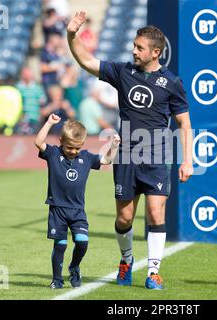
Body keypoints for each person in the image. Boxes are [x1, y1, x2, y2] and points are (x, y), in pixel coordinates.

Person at [67, 12, 193, 290]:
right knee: (124, 218)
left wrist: (188, 160)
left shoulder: (172, 83)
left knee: (156, 214)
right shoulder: (123, 71)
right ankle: (126, 260)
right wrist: (71, 35)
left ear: (155, 52)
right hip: (126, 157)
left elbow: (184, 123)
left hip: (158, 156)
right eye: (134, 46)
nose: (134, 51)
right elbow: (87, 61)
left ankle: (154, 272)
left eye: (139, 47)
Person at [34, 113, 120, 289]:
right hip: (57, 208)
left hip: (78, 210)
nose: (73, 151)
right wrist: (49, 123)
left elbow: (106, 159)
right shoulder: (53, 154)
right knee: (61, 244)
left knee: (82, 242)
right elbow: (38, 142)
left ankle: (74, 267)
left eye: (77, 148)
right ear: (61, 142)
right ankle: (57, 279)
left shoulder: (86, 157)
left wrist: (114, 146)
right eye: (69, 148)